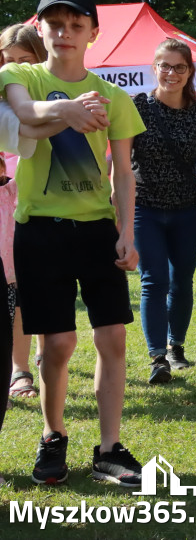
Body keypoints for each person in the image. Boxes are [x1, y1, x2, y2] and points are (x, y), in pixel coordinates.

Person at [0, 0, 147, 486]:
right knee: (58, 344)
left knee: (113, 337)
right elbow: (23, 115)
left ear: (93, 34)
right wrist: (70, 111)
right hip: (38, 229)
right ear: (39, 28)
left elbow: (123, 173)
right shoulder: (19, 74)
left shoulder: (115, 97)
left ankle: (109, 447)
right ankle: (52, 435)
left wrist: (127, 231)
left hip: (97, 231)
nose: (65, 33)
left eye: (76, 25)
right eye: (55, 24)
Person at [131, 39, 196, 384]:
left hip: (187, 210)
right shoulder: (136, 107)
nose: (172, 73)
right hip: (144, 209)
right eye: (165, 66)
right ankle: (158, 356)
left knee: (181, 280)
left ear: (190, 72)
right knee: (153, 280)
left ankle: (177, 346)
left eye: (180, 67)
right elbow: (118, 163)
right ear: (154, 68)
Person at [1, 24, 48, 400]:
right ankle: (20, 369)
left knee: (42, 290)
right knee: (14, 290)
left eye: (24, 61)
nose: (14, 69)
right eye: (8, 60)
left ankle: (43, 355)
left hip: (46, 207)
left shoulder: (51, 100)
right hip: (6, 210)